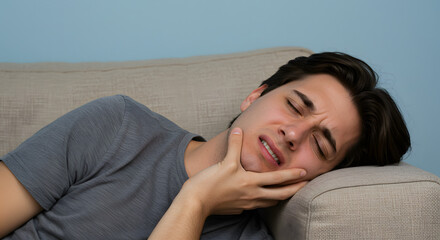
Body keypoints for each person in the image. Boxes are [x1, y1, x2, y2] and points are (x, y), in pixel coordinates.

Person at [0, 52, 410, 239]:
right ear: (255, 95)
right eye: (294, 106)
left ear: (321, 176)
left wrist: (194, 203)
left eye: (320, 146)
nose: (293, 134)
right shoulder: (117, 123)